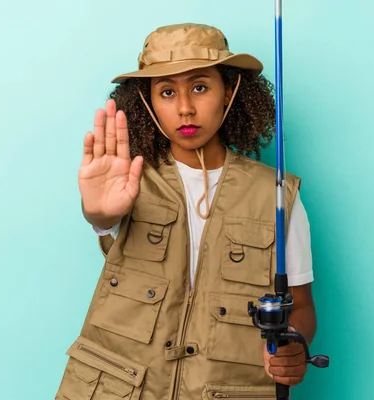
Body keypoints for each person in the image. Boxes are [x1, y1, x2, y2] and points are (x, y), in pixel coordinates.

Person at [56, 23, 318, 400]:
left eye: (199, 87)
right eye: (166, 92)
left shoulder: (277, 194)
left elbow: (302, 306)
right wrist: (97, 215)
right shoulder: (127, 180)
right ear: (146, 102)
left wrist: (294, 347)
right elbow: (104, 222)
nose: (184, 108)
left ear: (229, 92)